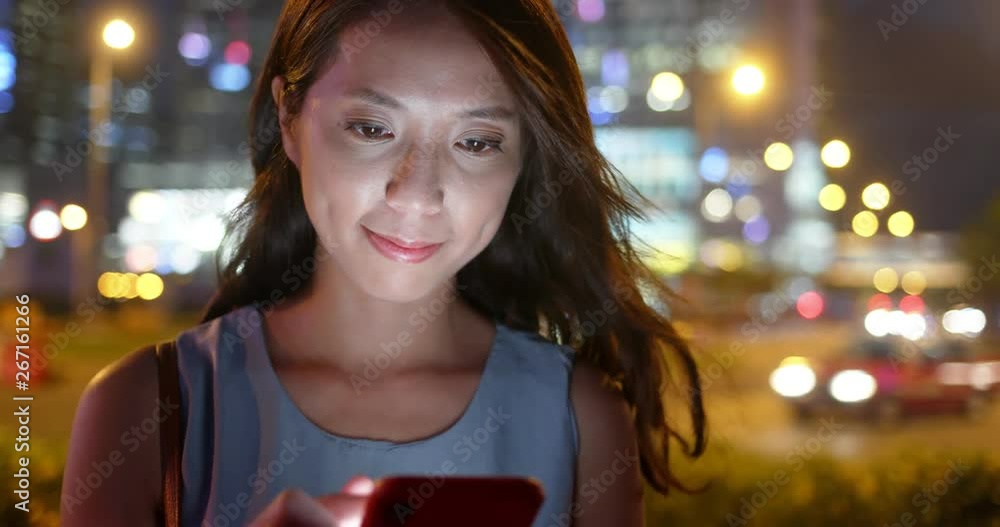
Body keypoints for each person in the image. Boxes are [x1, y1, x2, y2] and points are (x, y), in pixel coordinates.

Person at [60, 1, 706, 525]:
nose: (417, 193)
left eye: (476, 142)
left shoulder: (579, 417)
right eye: (371, 128)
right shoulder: (149, 407)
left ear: (523, 161)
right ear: (289, 117)